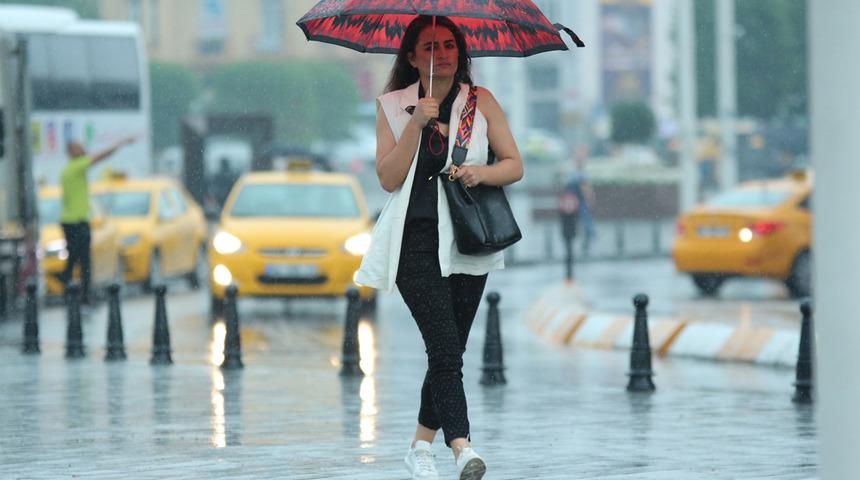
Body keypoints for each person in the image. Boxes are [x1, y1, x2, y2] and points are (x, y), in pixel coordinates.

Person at [355, 15, 523, 480]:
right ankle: (462, 447)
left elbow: (513, 165)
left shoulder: (480, 103)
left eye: (449, 45)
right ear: (411, 57)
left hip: (469, 239)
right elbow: (389, 178)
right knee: (445, 347)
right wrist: (417, 124)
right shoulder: (393, 105)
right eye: (429, 46)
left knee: (449, 353)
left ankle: (419, 447)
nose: (441, 54)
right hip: (414, 243)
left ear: (460, 52)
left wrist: (478, 172)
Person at [59, 137, 135, 304]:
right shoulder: (76, 167)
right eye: (79, 148)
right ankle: (84, 295)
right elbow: (100, 157)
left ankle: (68, 290)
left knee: (73, 258)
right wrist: (119, 143)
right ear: (72, 152)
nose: (83, 149)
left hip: (69, 221)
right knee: (84, 260)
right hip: (77, 221)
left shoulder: (68, 170)